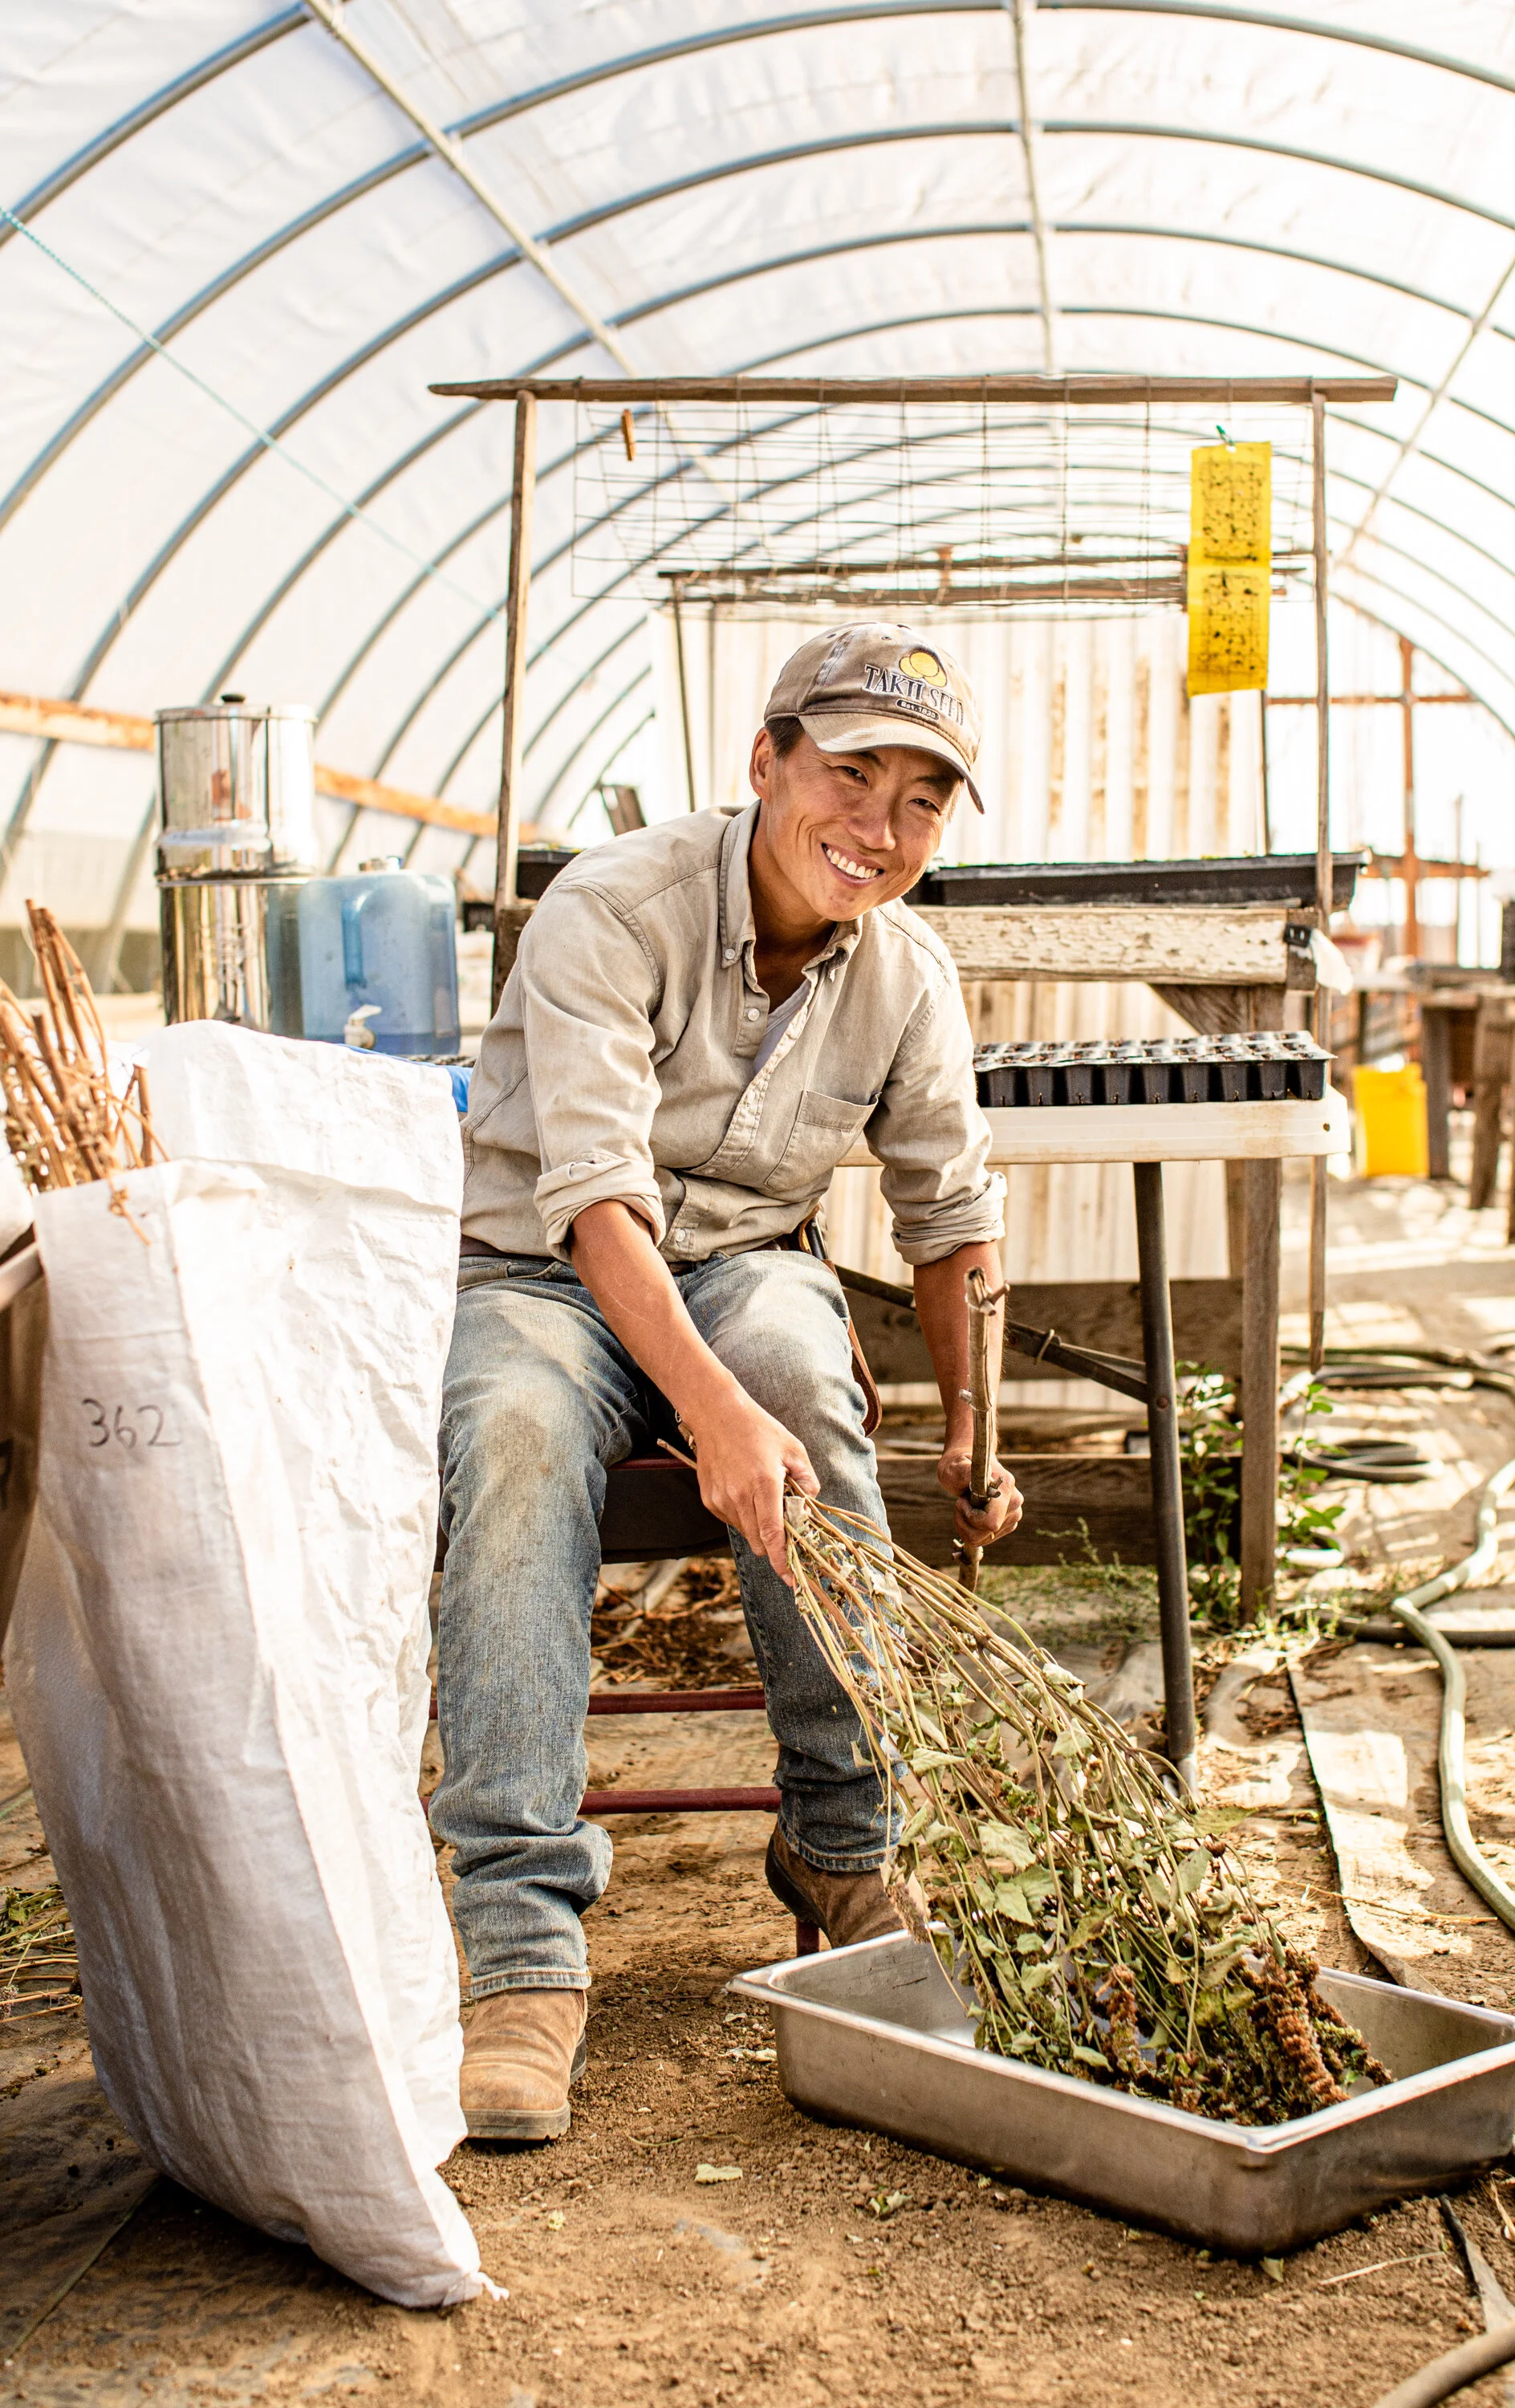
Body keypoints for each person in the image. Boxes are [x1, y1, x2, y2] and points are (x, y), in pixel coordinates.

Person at [435, 621, 1024, 2141]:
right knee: (507, 1438)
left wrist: (971, 1431)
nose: (878, 830)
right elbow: (590, 1198)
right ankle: (521, 1950)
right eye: (847, 778)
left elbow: (950, 1219)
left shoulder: (906, 972)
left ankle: (839, 1848)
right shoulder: (612, 907)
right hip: (540, 1270)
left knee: (799, 1386)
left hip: (745, 1256)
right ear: (763, 765)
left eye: (920, 801)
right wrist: (708, 1412)